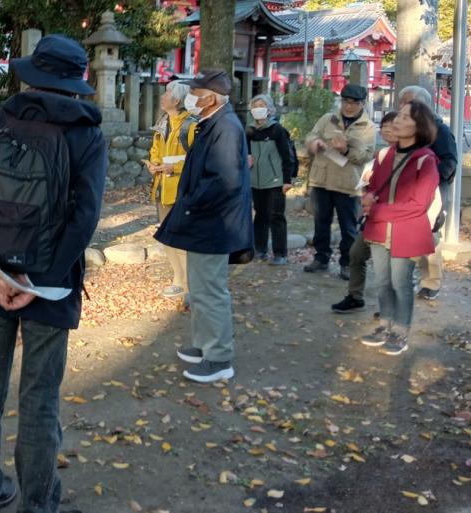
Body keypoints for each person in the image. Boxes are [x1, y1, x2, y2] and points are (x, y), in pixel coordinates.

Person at [0, 34, 106, 513]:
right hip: (51, 284)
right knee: (39, 398)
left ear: (34, 75)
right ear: (75, 81)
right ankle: (37, 503)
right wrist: (38, 281)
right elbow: (85, 216)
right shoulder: (85, 135)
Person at [155, 69, 252, 383]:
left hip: (214, 223)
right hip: (204, 221)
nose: (191, 98)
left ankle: (219, 356)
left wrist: (191, 203)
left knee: (210, 290)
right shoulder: (212, 123)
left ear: (210, 98)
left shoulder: (226, 127)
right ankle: (203, 344)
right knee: (198, 288)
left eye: (195, 93)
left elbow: (223, 181)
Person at [359, 101, 440, 355]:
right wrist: (369, 196)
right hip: (380, 230)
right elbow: (373, 184)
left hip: (406, 232)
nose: (397, 121)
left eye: (405, 118)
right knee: (382, 281)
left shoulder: (425, 160)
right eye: (398, 116)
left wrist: (378, 211)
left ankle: (401, 331)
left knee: (400, 283)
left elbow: (419, 204)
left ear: (419, 126)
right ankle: (384, 325)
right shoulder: (384, 154)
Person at [303, 84, 376, 278]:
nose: (349, 106)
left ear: (362, 104)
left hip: (348, 183)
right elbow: (311, 135)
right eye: (346, 101)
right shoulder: (328, 119)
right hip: (322, 179)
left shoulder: (367, 127)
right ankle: (321, 258)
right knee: (321, 222)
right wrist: (314, 143)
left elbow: (366, 156)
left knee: (348, 226)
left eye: (355, 103)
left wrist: (345, 150)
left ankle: (347, 263)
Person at [331, 111, 398, 314]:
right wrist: (367, 193)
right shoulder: (381, 154)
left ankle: (390, 306)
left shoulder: (410, 156)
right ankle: (355, 296)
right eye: (384, 126)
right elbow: (369, 182)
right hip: (372, 217)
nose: (386, 130)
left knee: (389, 265)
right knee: (356, 253)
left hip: (394, 218)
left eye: (392, 126)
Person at [397, 85, 458, 300]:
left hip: (433, 192)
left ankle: (432, 281)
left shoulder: (440, 131)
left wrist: (427, 178)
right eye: (402, 103)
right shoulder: (407, 130)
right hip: (407, 192)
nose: (403, 107)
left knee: (429, 236)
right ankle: (412, 278)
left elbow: (450, 162)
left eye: (408, 103)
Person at [149, 79, 197, 298]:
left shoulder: (191, 125)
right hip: (162, 187)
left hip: (181, 188)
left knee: (182, 237)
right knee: (166, 235)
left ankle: (188, 284)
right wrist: (153, 162)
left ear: (177, 99)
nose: (162, 96)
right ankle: (178, 279)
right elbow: (156, 149)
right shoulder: (162, 122)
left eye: (166, 92)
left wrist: (174, 166)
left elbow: (198, 159)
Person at [246, 94, 294, 266]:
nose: (258, 108)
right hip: (255, 180)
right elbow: (244, 152)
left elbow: (287, 156)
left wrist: (287, 179)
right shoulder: (249, 131)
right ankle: (260, 249)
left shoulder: (277, 130)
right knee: (260, 215)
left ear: (269, 109)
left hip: (275, 180)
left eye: (262, 105)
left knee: (276, 216)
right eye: (255, 105)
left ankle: (280, 253)